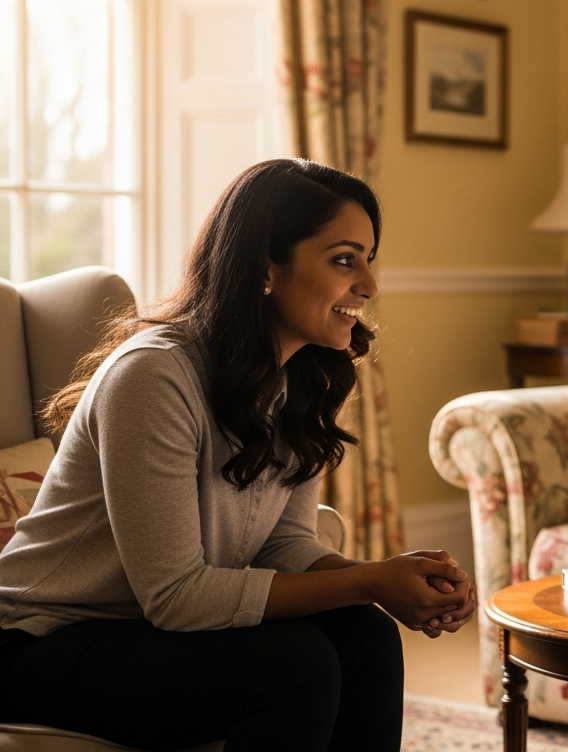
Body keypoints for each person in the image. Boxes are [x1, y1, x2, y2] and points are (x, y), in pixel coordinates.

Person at [0, 159, 477, 751]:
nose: (371, 286)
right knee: (293, 664)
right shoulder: (153, 376)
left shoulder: (295, 381)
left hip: (140, 631)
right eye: (344, 259)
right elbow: (177, 597)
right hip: (38, 643)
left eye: (369, 259)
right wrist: (369, 581)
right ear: (266, 268)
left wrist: (388, 583)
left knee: (366, 637)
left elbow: (283, 547)